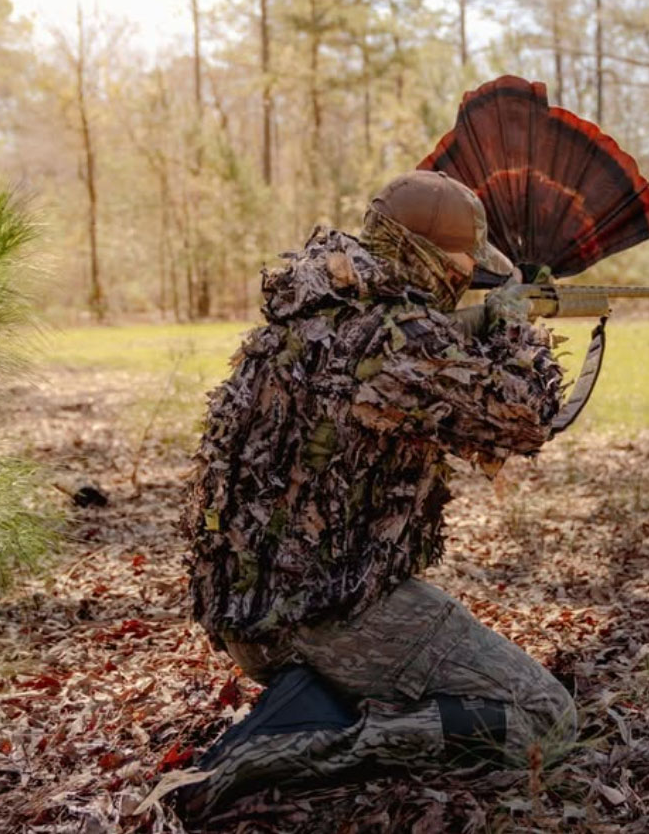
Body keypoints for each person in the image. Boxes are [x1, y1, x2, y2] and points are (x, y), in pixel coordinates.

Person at [175, 170, 576, 816]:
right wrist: (511, 325)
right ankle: (325, 739)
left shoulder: (304, 311)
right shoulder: (401, 342)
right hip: (326, 615)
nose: (470, 279)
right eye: (468, 267)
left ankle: (310, 698)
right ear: (437, 261)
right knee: (547, 719)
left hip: (245, 620)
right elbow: (525, 416)